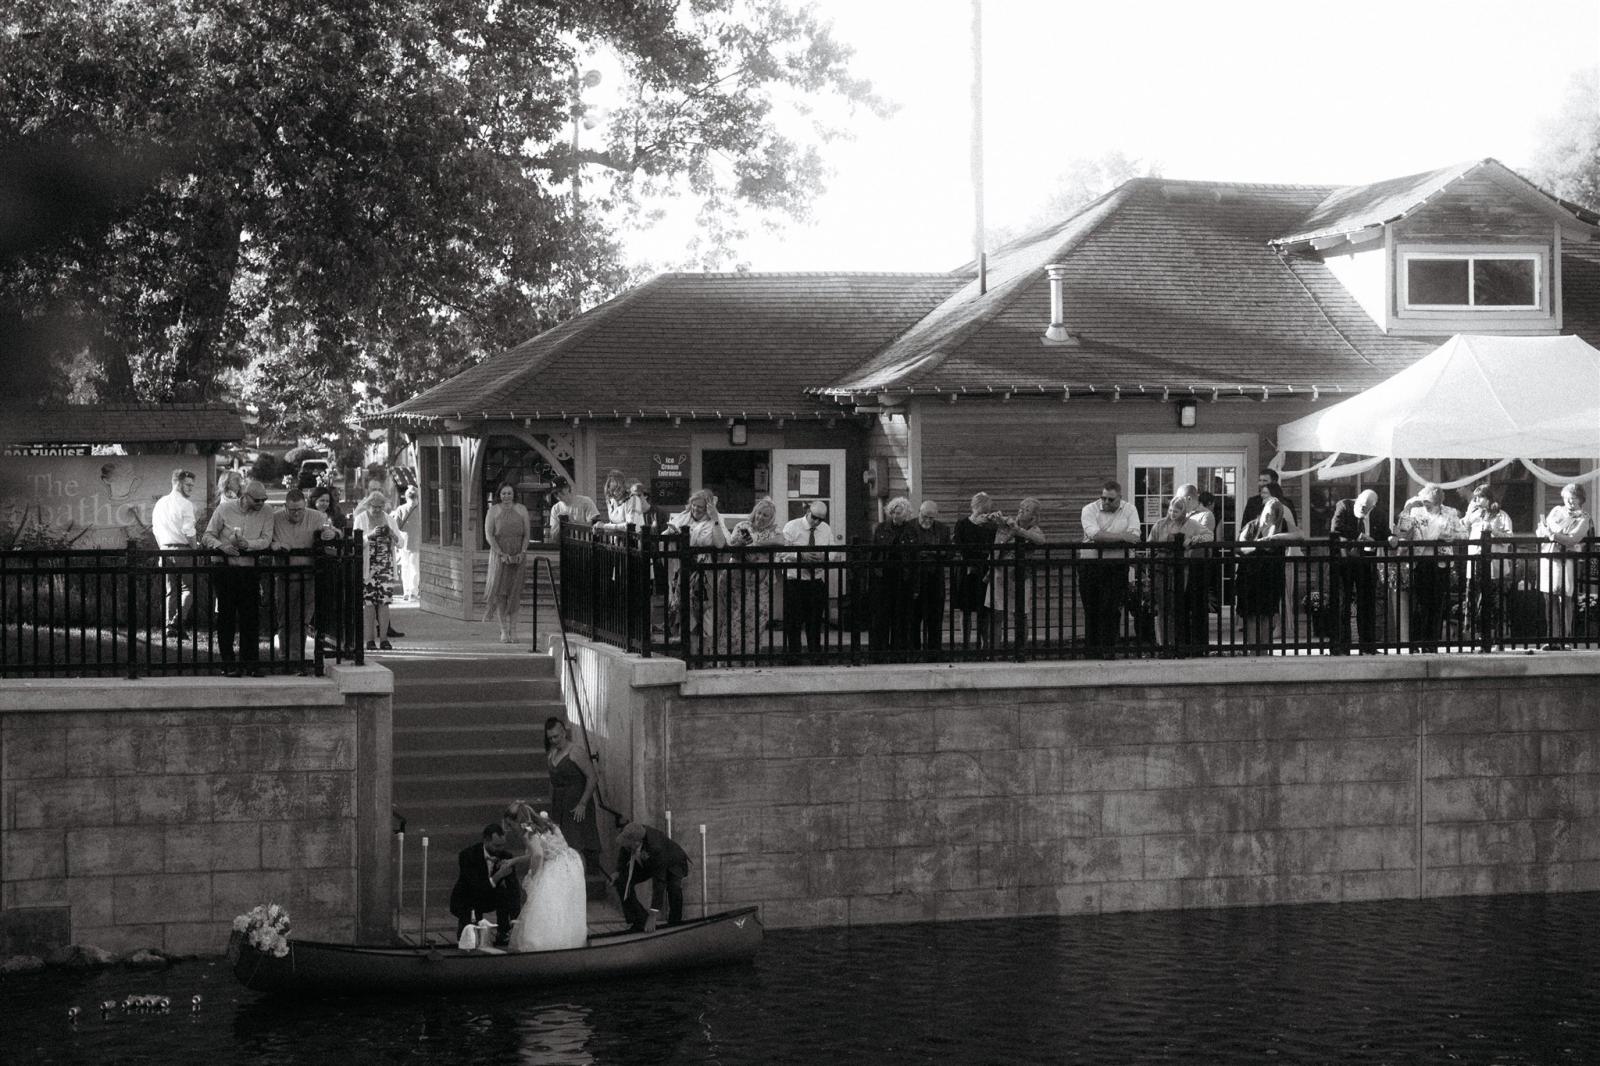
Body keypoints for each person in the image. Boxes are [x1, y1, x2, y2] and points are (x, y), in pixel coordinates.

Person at [202, 478, 274, 676]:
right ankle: (228, 663)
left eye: (264, 499)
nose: (261, 503)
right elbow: (207, 535)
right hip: (225, 569)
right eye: (257, 500)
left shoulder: (267, 512)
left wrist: (248, 544)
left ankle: (250, 663)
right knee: (226, 617)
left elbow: (266, 539)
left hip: (249, 569)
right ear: (245, 496)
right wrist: (222, 547)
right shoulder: (225, 509)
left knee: (250, 618)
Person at [502, 801, 588, 952]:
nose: (510, 829)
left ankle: (543, 944)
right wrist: (514, 861)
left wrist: (535, 876)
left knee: (544, 905)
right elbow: (545, 850)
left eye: (510, 824)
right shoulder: (546, 825)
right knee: (562, 906)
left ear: (518, 821)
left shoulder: (528, 833)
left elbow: (538, 855)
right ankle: (563, 943)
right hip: (570, 863)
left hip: (556, 867)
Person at [269, 488, 339, 656]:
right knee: (284, 619)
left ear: (305, 505)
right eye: (292, 510)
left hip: (308, 576)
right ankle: (285, 656)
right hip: (284, 576)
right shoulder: (275, 518)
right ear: (285, 506)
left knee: (303, 620)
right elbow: (265, 538)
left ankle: (296, 656)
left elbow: (336, 532)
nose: (296, 513)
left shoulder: (317, 516)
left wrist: (332, 534)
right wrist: (274, 545)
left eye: (300, 509)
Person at [1393, 484, 1464, 650]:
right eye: (1424, 501)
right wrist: (1407, 510)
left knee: (1437, 603)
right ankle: (1417, 641)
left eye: (1429, 502)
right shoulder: (1415, 511)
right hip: (1420, 561)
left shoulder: (1450, 513)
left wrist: (1450, 537)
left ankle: (1432, 643)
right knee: (1420, 603)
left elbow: (1463, 533)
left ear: (1438, 502)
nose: (1425, 504)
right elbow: (1402, 530)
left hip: (1441, 562)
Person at [1234, 487, 1303, 650]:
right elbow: (1239, 547)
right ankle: (1253, 648)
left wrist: (1275, 537)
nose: (1268, 517)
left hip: (1271, 577)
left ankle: (1264, 648)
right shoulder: (1252, 526)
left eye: (1272, 515)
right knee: (1251, 615)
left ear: (1277, 516)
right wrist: (1258, 546)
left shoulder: (1282, 526)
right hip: (1250, 576)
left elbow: (1300, 535)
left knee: (1267, 614)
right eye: (1267, 513)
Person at [1079, 480, 1141, 659]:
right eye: (1103, 498)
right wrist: (1122, 537)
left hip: (1116, 566)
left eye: (1110, 499)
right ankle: (1092, 652)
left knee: (1112, 608)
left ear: (1120, 498)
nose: (1106, 502)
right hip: (1091, 566)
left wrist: (1107, 538)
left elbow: (1135, 535)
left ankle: (1109, 650)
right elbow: (1094, 534)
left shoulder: (1129, 509)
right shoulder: (1089, 509)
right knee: (1092, 608)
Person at [1329, 488, 1394, 654]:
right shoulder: (1344, 505)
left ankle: (1368, 645)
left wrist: (1391, 538)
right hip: (1344, 560)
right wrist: (1361, 536)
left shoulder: (1379, 513)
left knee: (1367, 602)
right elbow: (1336, 527)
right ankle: (1341, 646)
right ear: (1357, 499)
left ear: (1373, 506)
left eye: (1366, 507)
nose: (1362, 509)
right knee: (1342, 602)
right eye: (1361, 505)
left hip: (1366, 561)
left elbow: (1384, 533)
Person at [722, 497, 785, 658]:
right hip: (738, 579)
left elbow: (781, 541)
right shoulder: (742, 526)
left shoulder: (774, 530)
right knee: (734, 618)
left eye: (765, 515)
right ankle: (731, 656)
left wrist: (757, 544)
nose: (760, 517)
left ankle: (751, 656)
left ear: (771, 518)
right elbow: (731, 547)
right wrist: (741, 543)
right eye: (759, 513)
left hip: (761, 582)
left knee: (757, 619)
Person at [1146, 496, 1210, 650]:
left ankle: (1176, 644)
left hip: (1180, 570)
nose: (1172, 514)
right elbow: (1149, 545)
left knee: (1176, 606)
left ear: (1183, 511)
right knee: (1162, 607)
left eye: (1176, 511)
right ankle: (1163, 645)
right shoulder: (1160, 525)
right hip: (1161, 568)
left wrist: (1193, 540)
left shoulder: (1191, 524)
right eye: (1170, 510)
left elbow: (1209, 535)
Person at [666, 488, 728, 640]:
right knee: (683, 607)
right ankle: (686, 643)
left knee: (705, 608)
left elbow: (720, 543)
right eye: (694, 505)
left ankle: (706, 646)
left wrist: (714, 518)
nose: (696, 509)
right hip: (682, 571)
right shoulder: (683, 518)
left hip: (705, 573)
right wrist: (672, 534)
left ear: (708, 508)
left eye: (700, 507)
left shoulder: (715, 520)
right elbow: (664, 537)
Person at [1537, 483, 1592, 649]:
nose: (1570, 500)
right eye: (1567, 497)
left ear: (1580, 499)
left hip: (1566, 560)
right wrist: (1546, 532)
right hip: (1548, 558)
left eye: (1574, 497)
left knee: (1564, 599)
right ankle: (1552, 639)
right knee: (1549, 599)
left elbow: (1573, 539)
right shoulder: (1556, 510)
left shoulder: (1583, 518)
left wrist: (1553, 534)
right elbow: (1543, 528)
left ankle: (1564, 639)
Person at [545, 717, 602, 877]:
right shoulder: (552, 754)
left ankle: (580, 880)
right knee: (562, 843)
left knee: (576, 843)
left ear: (564, 733)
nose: (553, 740)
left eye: (556, 736)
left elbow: (592, 778)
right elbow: (553, 783)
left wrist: (582, 804)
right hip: (559, 804)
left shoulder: (576, 751)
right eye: (550, 738)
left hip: (576, 805)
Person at [449, 823, 523, 946]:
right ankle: (466, 931)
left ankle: (503, 932)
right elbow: (474, 886)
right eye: (496, 845)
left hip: (490, 896)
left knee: (504, 893)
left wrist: (515, 919)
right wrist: (498, 875)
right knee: (471, 937)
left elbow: (513, 889)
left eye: (502, 845)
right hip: (468, 897)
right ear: (486, 841)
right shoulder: (467, 855)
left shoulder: (506, 856)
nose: (500, 849)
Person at [611, 820, 690, 931]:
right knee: (621, 881)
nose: (625, 847)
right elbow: (624, 851)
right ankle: (639, 920)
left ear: (637, 843)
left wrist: (653, 915)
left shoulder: (655, 847)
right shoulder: (634, 833)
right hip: (648, 862)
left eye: (628, 845)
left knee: (674, 888)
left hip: (673, 862)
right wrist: (618, 871)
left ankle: (675, 923)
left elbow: (659, 883)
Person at [780, 500, 834, 662]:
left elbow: (833, 550)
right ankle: (794, 657)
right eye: (814, 517)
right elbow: (781, 552)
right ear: (808, 512)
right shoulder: (792, 526)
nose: (817, 522)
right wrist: (800, 555)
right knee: (793, 622)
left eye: (821, 519)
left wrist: (823, 556)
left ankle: (815, 655)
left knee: (815, 621)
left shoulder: (825, 529)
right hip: (795, 580)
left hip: (816, 580)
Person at [1462, 483, 1514, 643]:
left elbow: (1509, 538)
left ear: (1489, 498)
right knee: (1474, 599)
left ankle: (1496, 636)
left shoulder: (1502, 516)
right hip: (1475, 562)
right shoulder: (1474, 515)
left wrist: (1493, 531)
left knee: (1494, 601)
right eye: (1475, 498)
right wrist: (1469, 512)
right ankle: (1475, 636)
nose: (1476, 500)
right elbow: (1462, 529)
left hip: (1494, 566)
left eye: (1480, 497)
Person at [992, 497, 1047, 645]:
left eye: (1026, 510)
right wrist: (996, 519)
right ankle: (994, 651)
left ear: (1033, 516)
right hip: (1000, 573)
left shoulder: (1033, 529)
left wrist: (1019, 531)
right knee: (997, 613)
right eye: (1021, 508)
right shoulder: (1008, 523)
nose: (1021, 511)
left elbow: (1041, 540)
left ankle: (1021, 650)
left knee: (1020, 614)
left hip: (1020, 577)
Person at [869, 497, 919, 658]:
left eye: (902, 514)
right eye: (896, 513)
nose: (898, 516)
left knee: (901, 617)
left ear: (907, 515)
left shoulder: (911, 530)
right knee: (881, 617)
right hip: (884, 577)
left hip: (903, 578)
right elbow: (874, 554)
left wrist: (915, 585)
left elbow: (915, 559)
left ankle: (899, 653)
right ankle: (879, 653)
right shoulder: (881, 528)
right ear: (891, 512)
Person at [152, 467, 198, 640]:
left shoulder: (160, 503)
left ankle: (168, 627)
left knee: (170, 591)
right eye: (188, 485)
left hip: (164, 549)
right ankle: (176, 622)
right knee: (189, 589)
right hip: (183, 550)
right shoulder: (185, 504)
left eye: (192, 485)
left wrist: (162, 551)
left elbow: (156, 530)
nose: (191, 488)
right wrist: (195, 550)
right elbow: (189, 531)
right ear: (177, 483)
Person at [953, 493, 1004, 647]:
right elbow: (958, 545)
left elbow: (996, 545)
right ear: (973, 507)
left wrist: (995, 523)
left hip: (984, 570)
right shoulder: (962, 524)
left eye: (986, 511)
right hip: (966, 569)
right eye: (981, 511)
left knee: (984, 609)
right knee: (965, 609)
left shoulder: (990, 527)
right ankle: (966, 644)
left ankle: (985, 644)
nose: (983, 514)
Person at [483, 483, 531, 643]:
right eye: (503, 493)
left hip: (518, 554)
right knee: (501, 594)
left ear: (514, 494)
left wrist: (522, 552)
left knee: (515, 594)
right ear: (499, 494)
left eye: (509, 493)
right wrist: (501, 553)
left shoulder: (522, 510)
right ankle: (503, 630)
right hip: (500, 555)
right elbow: (489, 535)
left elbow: (527, 534)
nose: (506, 496)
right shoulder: (493, 511)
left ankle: (514, 630)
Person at [353, 491, 401, 651]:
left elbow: (401, 542)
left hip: (385, 567)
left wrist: (392, 534)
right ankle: (369, 640)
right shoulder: (361, 519)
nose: (378, 510)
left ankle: (384, 639)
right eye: (374, 507)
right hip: (368, 569)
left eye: (381, 507)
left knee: (384, 603)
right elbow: (356, 542)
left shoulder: (389, 519)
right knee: (369, 604)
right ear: (368, 506)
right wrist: (370, 535)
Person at [910, 500, 952, 651]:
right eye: (925, 516)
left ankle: (934, 653)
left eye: (931, 518)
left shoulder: (943, 529)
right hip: (914, 579)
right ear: (919, 513)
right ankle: (914, 653)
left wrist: (933, 553)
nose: (927, 520)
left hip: (935, 579)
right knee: (913, 620)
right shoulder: (909, 527)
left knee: (935, 619)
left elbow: (949, 553)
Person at [392, 485, 421, 601]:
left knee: (405, 567)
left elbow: (395, 526)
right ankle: (413, 592)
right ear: (417, 496)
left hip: (403, 542)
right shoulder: (421, 510)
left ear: (406, 497)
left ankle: (406, 591)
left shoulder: (400, 509)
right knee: (415, 568)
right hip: (416, 542)